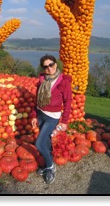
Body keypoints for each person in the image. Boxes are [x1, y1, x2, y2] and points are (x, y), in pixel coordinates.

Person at [31, 54, 72, 184]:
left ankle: (50, 167)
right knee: (46, 142)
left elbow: (68, 101)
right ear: (43, 68)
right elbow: (36, 99)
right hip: (41, 114)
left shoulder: (63, 81)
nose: (49, 68)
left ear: (55, 64)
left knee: (38, 143)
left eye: (51, 64)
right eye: (45, 66)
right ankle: (50, 162)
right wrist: (34, 115)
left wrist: (64, 121)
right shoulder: (42, 79)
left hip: (52, 117)